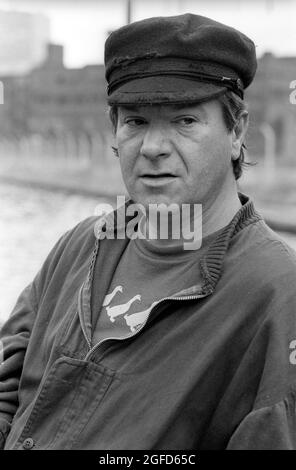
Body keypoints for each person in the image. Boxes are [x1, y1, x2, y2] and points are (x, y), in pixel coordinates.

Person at [1, 13, 296, 451]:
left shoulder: (277, 293)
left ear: (237, 132)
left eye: (185, 121)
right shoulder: (82, 245)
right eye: (136, 121)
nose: (154, 147)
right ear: (115, 131)